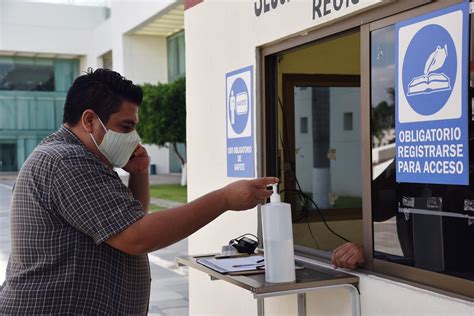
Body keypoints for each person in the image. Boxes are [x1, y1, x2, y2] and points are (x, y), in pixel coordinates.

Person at [0, 68, 278, 315]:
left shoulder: (77, 157)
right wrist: (224, 198)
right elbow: (137, 237)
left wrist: (140, 173)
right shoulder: (67, 161)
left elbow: (129, 220)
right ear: (89, 120)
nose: (134, 137)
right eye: (126, 127)